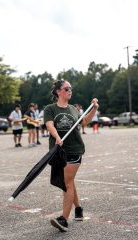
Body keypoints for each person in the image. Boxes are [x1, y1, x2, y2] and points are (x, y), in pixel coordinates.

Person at [44, 80, 99, 232]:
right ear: (58, 92)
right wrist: (57, 136)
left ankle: (64, 219)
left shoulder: (74, 109)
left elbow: (85, 122)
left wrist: (93, 109)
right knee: (70, 181)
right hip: (59, 151)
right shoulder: (50, 109)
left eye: (71, 89)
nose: (70, 91)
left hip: (75, 150)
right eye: (67, 89)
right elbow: (50, 125)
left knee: (67, 183)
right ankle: (79, 209)